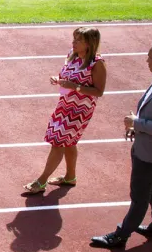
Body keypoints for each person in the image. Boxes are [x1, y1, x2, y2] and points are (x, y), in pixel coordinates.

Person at [91, 41, 152, 249]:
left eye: (150, 57)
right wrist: (137, 126)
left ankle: (120, 236)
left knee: (139, 195)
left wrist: (137, 123)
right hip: (145, 145)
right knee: (148, 185)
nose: (147, 60)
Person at [22, 27, 107, 194]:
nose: (73, 43)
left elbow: (99, 91)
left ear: (89, 43)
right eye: (74, 39)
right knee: (69, 141)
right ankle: (70, 177)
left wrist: (75, 87)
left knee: (58, 142)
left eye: (78, 40)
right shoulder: (73, 55)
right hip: (64, 105)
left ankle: (41, 181)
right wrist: (59, 80)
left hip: (80, 110)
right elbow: (67, 77)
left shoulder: (97, 64)